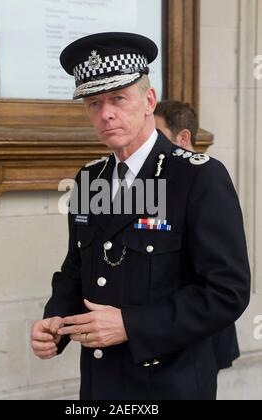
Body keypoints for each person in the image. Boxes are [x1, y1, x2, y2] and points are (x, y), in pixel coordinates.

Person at [31, 32, 251, 400]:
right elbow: (77, 267)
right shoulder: (89, 179)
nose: (106, 114)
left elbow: (228, 291)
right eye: (94, 102)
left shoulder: (197, 176)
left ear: (149, 100)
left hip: (170, 383)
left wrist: (131, 325)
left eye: (118, 98)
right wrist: (56, 318)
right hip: (100, 382)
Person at [154, 100, 241, 371]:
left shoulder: (208, 178)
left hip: (203, 330)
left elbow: (225, 279)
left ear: (183, 138)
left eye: (156, 135)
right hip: (166, 333)